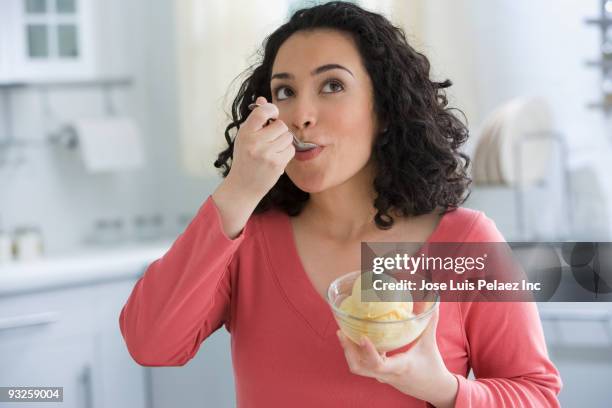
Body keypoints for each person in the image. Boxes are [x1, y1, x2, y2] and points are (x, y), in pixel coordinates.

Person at [119, 2, 562, 407]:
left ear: (384, 108)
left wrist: (441, 388)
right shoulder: (250, 238)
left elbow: (537, 396)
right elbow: (150, 343)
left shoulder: (462, 243)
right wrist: (238, 191)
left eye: (332, 85)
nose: (300, 114)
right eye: (284, 91)